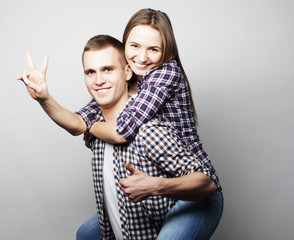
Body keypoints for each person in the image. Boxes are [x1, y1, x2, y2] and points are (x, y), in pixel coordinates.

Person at [18, 35, 219, 239]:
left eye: (108, 69)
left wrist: (156, 185)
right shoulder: (96, 127)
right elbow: (76, 124)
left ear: (127, 71)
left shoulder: (148, 131)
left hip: (192, 204)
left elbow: (207, 184)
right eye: (90, 72)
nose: (98, 80)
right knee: (85, 235)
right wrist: (44, 98)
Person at [77, 8, 223, 240]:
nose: (142, 57)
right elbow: (87, 113)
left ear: (166, 52)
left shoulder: (164, 73)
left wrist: (90, 127)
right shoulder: (124, 76)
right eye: (134, 46)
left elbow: (118, 131)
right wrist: (83, 121)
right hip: (150, 190)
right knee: (87, 235)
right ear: (124, 45)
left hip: (193, 188)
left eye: (154, 49)